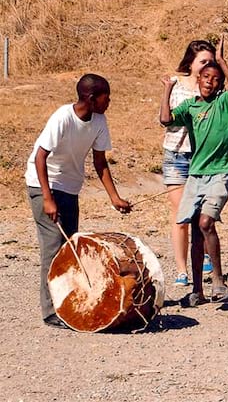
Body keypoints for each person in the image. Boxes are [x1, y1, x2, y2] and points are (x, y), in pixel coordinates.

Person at [26, 74, 132, 328]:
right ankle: (51, 312)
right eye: (106, 96)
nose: (110, 101)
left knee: (70, 247)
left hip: (70, 188)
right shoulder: (63, 117)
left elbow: (100, 162)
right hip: (43, 185)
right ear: (92, 98)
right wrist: (48, 199)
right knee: (53, 248)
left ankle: (69, 303)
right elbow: (40, 157)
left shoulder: (99, 120)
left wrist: (114, 198)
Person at [160, 35, 228, 306]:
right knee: (195, 229)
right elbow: (166, 120)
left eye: (216, 78)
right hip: (196, 174)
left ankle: (218, 279)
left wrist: (222, 62)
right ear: (198, 80)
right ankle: (197, 288)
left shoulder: (223, 103)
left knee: (207, 222)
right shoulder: (191, 106)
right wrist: (166, 90)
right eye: (206, 76)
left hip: (221, 172)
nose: (210, 81)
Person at [161, 40, 215, 287]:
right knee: (180, 214)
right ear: (191, 63)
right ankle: (182, 269)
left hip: (201, 156)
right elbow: (168, 120)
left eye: (210, 61)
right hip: (176, 155)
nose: (207, 66)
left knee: (201, 212)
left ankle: (203, 255)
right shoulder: (176, 84)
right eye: (203, 61)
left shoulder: (212, 86)